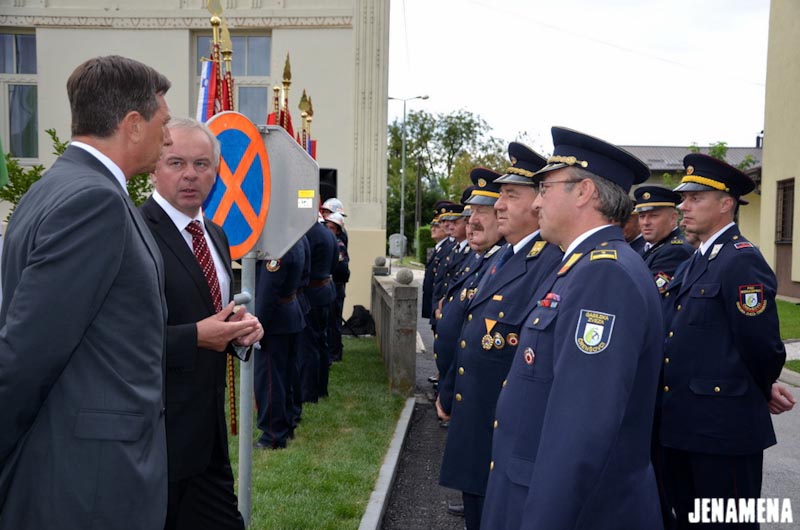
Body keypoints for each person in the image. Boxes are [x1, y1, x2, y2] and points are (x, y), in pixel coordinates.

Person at [0, 55, 172, 529]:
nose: (168, 137)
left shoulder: (56, 187)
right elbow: (28, 352)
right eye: (163, 123)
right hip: (90, 484)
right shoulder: (95, 201)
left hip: (77, 468)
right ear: (133, 125)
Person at [482, 127, 663, 529]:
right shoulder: (579, 265)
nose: (537, 202)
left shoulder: (604, 275)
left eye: (545, 188)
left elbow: (581, 430)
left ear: (584, 192)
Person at [140, 117, 263, 529]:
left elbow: (212, 313)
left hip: (208, 435)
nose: (190, 174)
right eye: (176, 162)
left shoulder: (216, 235)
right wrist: (196, 337)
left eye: (201, 164)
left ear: (216, 172)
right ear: (154, 168)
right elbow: (119, 338)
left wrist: (238, 331)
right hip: (156, 436)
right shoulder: (135, 232)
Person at [438, 143, 563, 530]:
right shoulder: (505, 256)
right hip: (480, 424)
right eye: (501, 196)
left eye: (511, 195)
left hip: (504, 431)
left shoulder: (550, 261)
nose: (500, 205)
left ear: (538, 202)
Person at [659, 153, 787, 529]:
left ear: (725, 204)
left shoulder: (740, 260)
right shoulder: (697, 260)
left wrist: (760, 387)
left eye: (695, 198)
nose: (683, 206)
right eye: (684, 198)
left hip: (723, 430)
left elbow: (762, 345)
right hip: (687, 426)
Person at [254, 236, 306, 450]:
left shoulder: (277, 248)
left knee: (270, 380)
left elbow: (267, 292)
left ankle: (273, 435)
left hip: (274, 321)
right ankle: (288, 422)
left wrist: (257, 326)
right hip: (289, 314)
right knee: (286, 377)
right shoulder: (297, 239)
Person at [633, 186, 694, 293]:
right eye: (642, 216)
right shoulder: (647, 247)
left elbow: (646, 293)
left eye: (654, 216)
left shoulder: (676, 251)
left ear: (673, 218)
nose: (646, 222)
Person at [325, 212, 350, 362]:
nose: (328, 230)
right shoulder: (332, 243)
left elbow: (341, 269)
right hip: (333, 286)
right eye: (327, 227)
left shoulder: (339, 245)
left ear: (338, 230)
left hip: (336, 286)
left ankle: (335, 353)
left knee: (334, 322)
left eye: (332, 228)